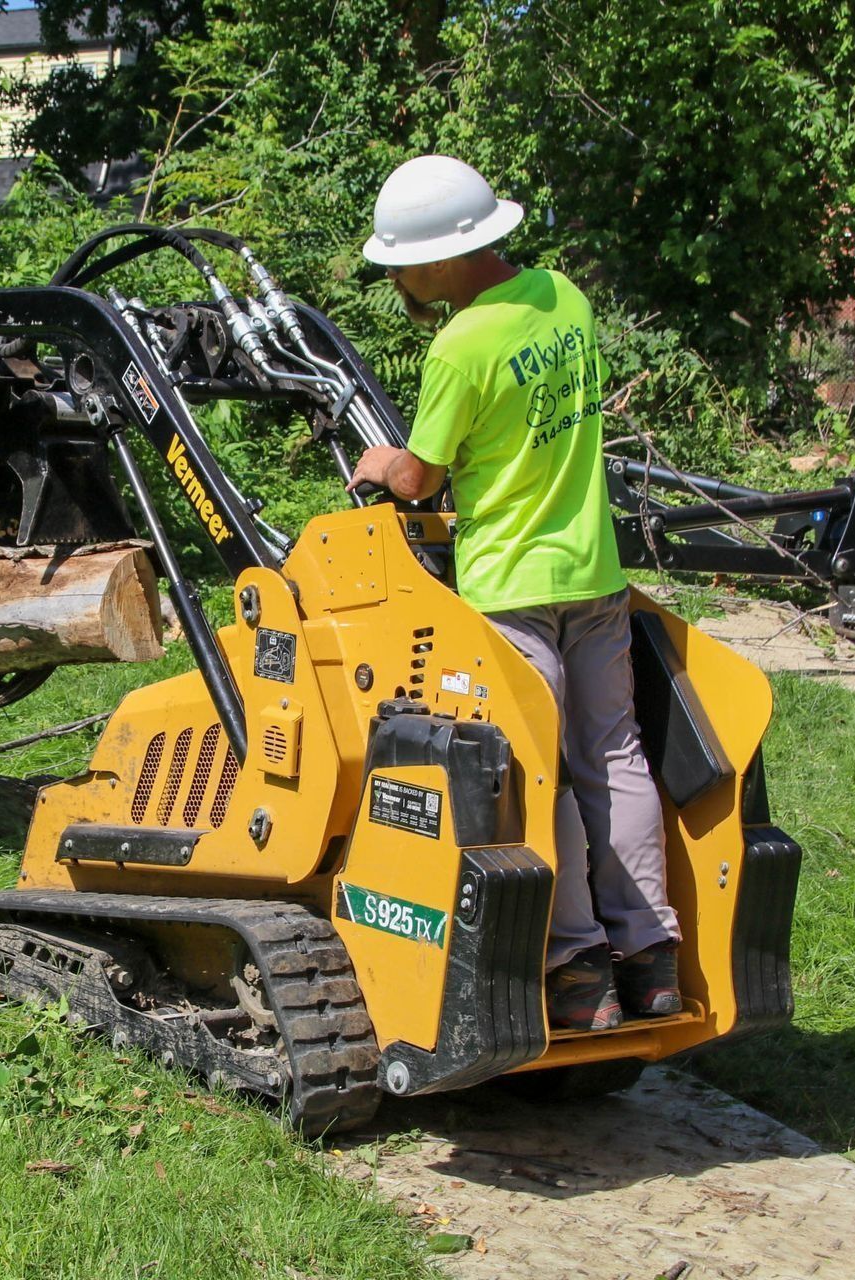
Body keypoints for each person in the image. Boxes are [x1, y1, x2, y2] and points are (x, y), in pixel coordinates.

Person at [346, 154, 681, 1031]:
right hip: (595, 577)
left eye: (403, 266)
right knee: (613, 756)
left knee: (538, 775)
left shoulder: (459, 346)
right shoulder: (564, 298)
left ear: (443, 260)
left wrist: (379, 461)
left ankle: (576, 970)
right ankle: (651, 957)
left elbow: (419, 478)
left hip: (509, 592)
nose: (398, 279)